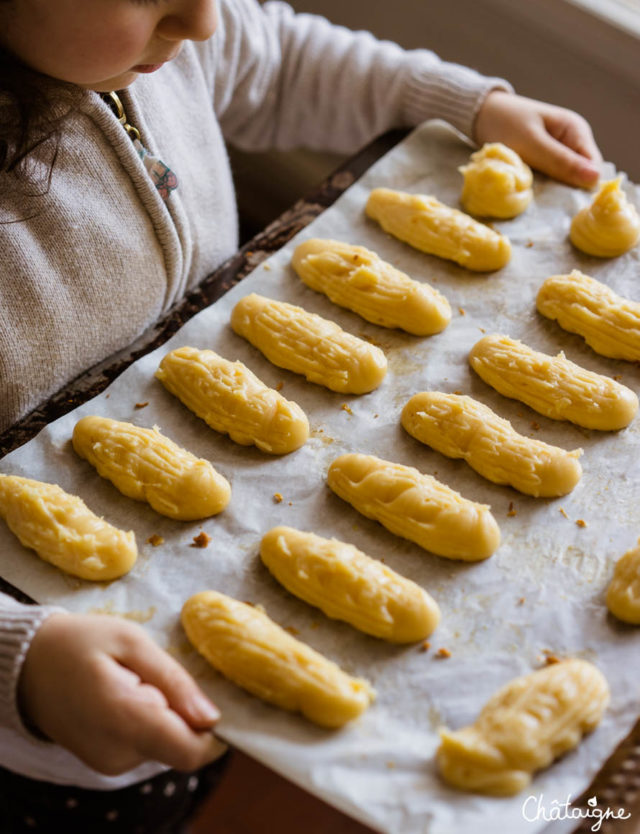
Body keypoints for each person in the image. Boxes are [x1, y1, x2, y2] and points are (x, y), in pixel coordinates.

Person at [0, 0, 602, 831]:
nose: (204, 21)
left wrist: (467, 104)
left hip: (176, 638)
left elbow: (278, 56)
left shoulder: (165, 45)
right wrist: (19, 663)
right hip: (50, 712)